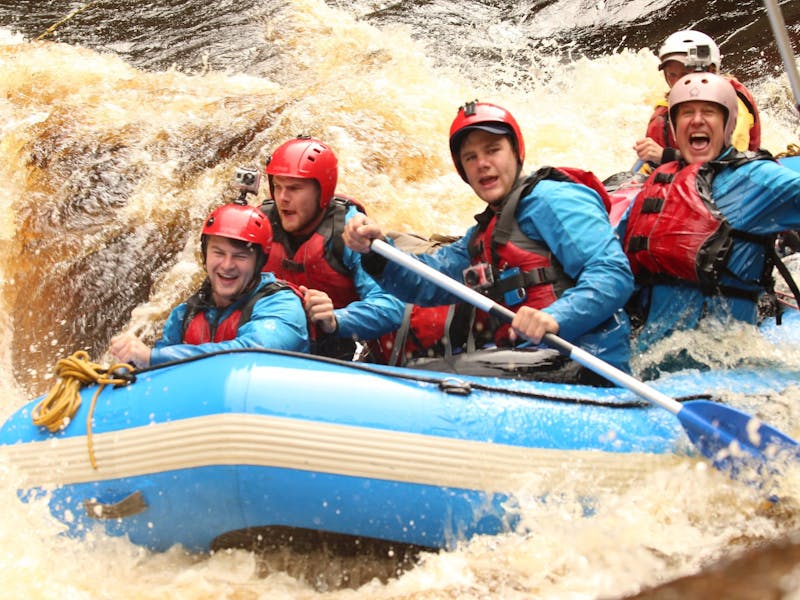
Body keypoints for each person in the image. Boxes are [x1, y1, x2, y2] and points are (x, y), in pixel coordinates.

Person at [343, 101, 634, 384]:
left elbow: (612, 274)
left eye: (493, 150)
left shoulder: (555, 199)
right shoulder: (483, 235)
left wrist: (555, 317)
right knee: (422, 370)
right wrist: (378, 251)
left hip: (587, 360)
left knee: (428, 377)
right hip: (529, 359)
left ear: (516, 153)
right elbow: (430, 280)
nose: (482, 164)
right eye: (470, 157)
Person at [620, 72, 800, 354]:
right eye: (686, 113)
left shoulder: (755, 179)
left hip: (722, 357)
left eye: (709, 112)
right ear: (675, 126)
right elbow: (605, 260)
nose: (696, 120)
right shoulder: (657, 184)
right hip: (648, 351)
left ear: (728, 123)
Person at [109, 202, 310, 367]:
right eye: (219, 253)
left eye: (240, 256)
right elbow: (158, 371)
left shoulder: (282, 304)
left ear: (258, 262)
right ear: (205, 256)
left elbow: (254, 353)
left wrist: (152, 358)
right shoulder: (184, 315)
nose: (227, 265)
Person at [260, 136, 405, 361]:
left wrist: (336, 319)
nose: (282, 198)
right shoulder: (259, 226)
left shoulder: (351, 232)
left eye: (294, 188)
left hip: (342, 347)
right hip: (275, 341)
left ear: (322, 192)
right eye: (277, 187)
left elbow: (392, 305)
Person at [634, 30, 761, 171]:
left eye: (684, 74)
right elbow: (650, 168)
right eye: (672, 75)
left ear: (711, 70)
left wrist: (668, 156)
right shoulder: (664, 113)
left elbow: (729, 159)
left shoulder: (730, 102)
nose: (677, 82)